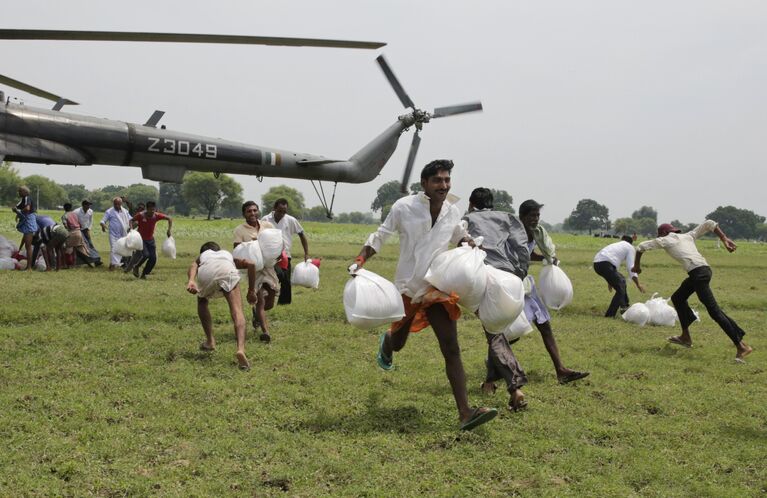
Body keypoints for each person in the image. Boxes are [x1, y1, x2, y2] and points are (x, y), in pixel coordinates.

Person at [351, 160, 498, 431]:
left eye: (447, 180)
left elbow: (458, 236)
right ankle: (389, 339)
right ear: (425, 184)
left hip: (437, 286)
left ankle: (465, 412)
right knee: (398, 344)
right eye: (438, 181)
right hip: (408, 285)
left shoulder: (452, 211)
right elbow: (380, 235)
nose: (444, 185)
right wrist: (361, 259)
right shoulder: (404, 207)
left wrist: (471, 246)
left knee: (451, 347)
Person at [632, 221, 752, 361]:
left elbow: (640, 247)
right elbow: (709, 224)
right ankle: (685, 337)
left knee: (714, 311)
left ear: (663, 234)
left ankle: (741, 346)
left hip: (698, 274)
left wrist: (637, 267)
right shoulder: (688, 236)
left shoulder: (665, 239)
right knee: (678, 298)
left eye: (660, 236)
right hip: (703, 271)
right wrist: (724, 238)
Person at [463, 188, 528, 412]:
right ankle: (490, 383)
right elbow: (521, 248)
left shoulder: (466, 219)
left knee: (495, 335)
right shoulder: (507, 218)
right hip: (511, 277)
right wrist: (520, 273)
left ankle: (515, 388)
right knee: (494, 331)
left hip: (487, 278)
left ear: (471, 203)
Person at [518, 199, 589, 384]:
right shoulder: (514, 234)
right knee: (511, 331)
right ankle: (495, 364)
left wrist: (546, 258)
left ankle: (561, 370)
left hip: (526, 285)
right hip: (511, 284)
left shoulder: (536, 234)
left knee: (545, 325)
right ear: (522, 216)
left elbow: (528, 253)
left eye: (537, 215)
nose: (535, 219)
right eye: (531, 215)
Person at [186, 241, 259, 370]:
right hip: (227, 270)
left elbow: (194, 265)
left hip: (207, 273)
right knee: (237, 311)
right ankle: (240, 349)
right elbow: (252, 264)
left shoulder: (204, 255)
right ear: (218, 249)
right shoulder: (227, 255)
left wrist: (191, 280)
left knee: (202, 301)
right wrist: (251, 291)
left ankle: (210, 341)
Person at [233, 201, 280, 342]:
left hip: (268, 266)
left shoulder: (267, 226)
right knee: (260, 300)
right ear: (244, 214)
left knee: (270, 301)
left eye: (254, 210)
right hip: (254, 269)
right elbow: (237, 250)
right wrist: (254, 244)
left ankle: (257, 315)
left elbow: (276, 242)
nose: (252, 213)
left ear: (258, 211)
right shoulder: (239, 230)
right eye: (249, 211)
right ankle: (265, 332)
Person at [261, 198, 309, 305]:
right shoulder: (265, 219)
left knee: (286, 281)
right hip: (270, 255)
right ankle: (265, 298)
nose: (282, 214)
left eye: (284, 211)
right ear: (274, 208)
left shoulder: (291, 220)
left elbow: (302, 235)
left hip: (285, 255)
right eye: (279, 211)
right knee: (273, 277)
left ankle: (284, 303)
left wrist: (306, 253)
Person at [593, 235, 645, 317]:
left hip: (597, 264)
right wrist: (638, 284)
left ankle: (624, 306)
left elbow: (611, 267)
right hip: (606, 264)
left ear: (622, 240)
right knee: (621, 286)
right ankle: (610, 315)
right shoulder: (630, 247)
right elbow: (631, 267)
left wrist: (610, 282)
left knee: (622, 280)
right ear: (631, 243)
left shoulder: (617, 245)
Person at [126, 201, 172, 279]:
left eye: (154, 210)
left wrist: (169, 230)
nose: (152, 212)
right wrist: (131, 228)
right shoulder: (140, 215)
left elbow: (169, 218)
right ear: (147, 209)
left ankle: (144, 274)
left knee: (153, 259)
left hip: (150, 240)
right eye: (151, 210)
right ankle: (136, 266)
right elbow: (131, 220)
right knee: (146, 255)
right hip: (141, 239)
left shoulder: (156, 216)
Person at [61, 203, 100, 267]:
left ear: (64, 208)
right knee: (82, 249)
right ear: (71, 208)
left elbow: (66, 226)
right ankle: (92, 261)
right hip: (79, 232)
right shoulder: (75, 214)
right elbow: (80, 223)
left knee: (68, 248)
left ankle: (68, 264)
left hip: (72, 233)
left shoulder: (64, 216)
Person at [100, 197, 131, 270]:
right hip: (113, 234)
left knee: (121, 249)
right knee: (114, 249)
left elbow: (130, 220)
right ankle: (113, 266)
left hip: (123, 234)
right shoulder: (109, 211)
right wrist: (103, 225)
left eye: (118, 204)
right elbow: (102, 221)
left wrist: (131, 227)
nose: (117, 206)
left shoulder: (125, 211)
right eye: (115, 204)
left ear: (121, 204)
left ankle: (112, 264)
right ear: (113, 204)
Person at [11, 185, 37, 271]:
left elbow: (27, 208)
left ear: (25, 192)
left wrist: (18, 211)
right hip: (27, 221)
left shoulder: (27, 198)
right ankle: (29, 266)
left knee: (28, 246)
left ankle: (29, 267)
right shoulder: (23, 199)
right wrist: (17, 212)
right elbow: (18, 207)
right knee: (27, 245)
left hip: (29, 222)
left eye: (20, 191)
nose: (19, 193)